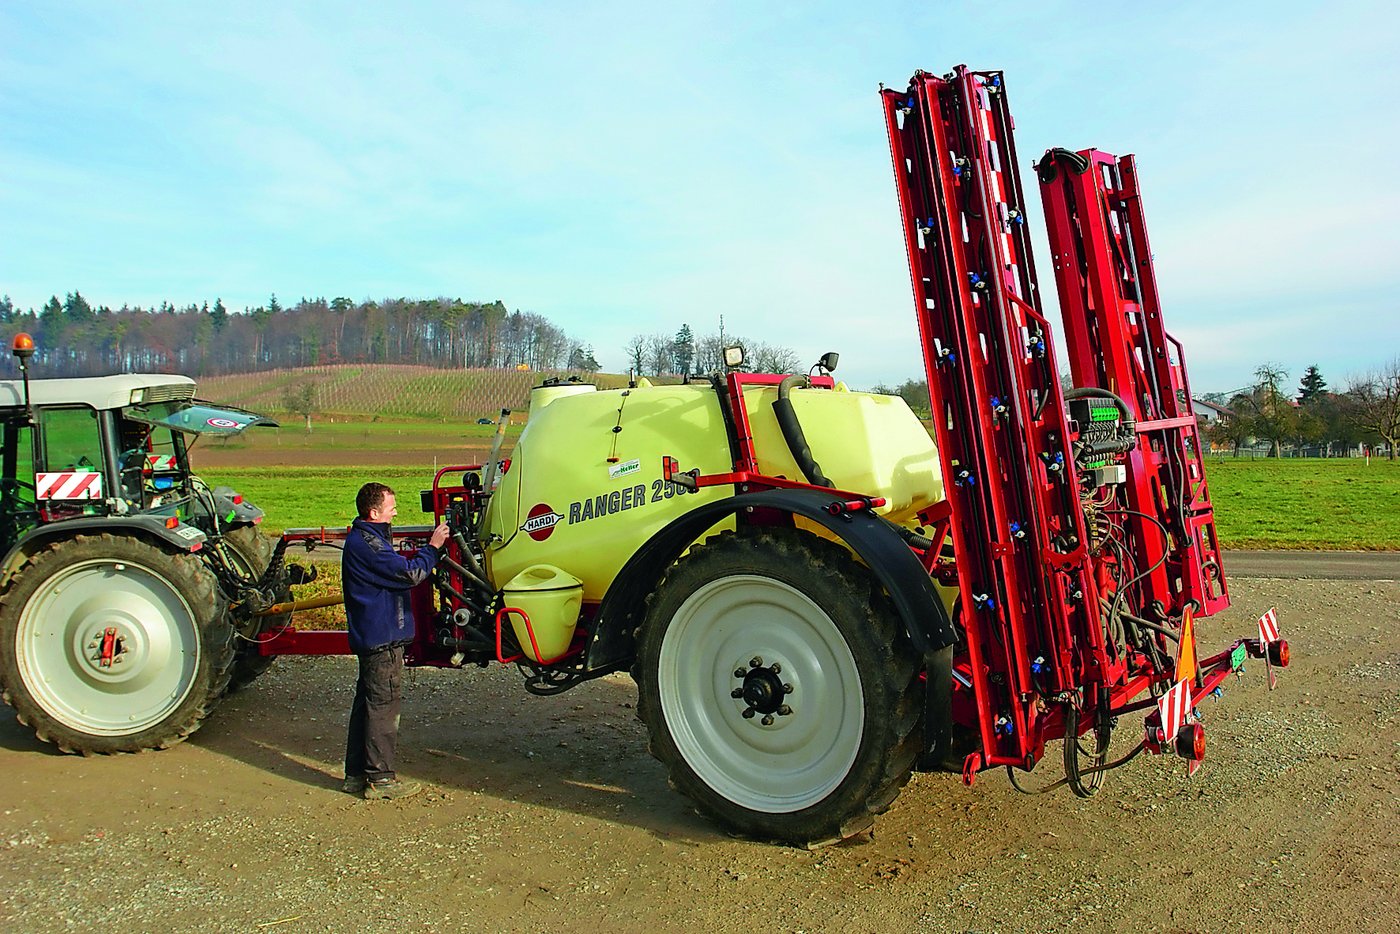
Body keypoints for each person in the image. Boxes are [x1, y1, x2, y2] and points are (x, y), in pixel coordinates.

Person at [341, 482, 449, 800]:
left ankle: (356, 775)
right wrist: (434, 546)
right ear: (374, 512)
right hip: (382, 639)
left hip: (374, 636)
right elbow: (411, 574)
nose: (396, 510)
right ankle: (381, 780)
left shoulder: (369, 539)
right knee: (383, 708)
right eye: (391, 506)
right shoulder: (369, 546)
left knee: (368, 705)